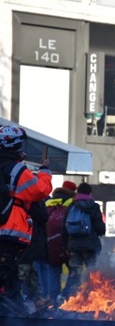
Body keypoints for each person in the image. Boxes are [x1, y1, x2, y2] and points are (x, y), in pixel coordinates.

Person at [0, 125, 52, 308]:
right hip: (9, 232)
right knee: (8, 279)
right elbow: (39, 191)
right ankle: (11, 322)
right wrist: (44, 174)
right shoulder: (15, 169)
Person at [61, 182, 106, 298]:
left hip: (73, 246)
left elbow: (64, 228)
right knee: (92, 272)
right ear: (90, 193)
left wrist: (66, 245)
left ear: (78, 192)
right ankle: (92, 297)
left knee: (75, 272)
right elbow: (100, 227)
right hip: (90, 246)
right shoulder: (94, 206)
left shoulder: (71, 206)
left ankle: (68, 298)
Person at [42, 181, 76, 305]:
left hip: (51, 244)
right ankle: (67, 296)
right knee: (74, 271)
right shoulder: (72, 204)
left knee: (53, 271)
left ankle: (53, 299)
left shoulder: (48, 205)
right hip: (68, 244)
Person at [19, 200, 50, 311]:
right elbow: (43, 216)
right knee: (23, 274)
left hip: (27, 246)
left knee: (30, 273)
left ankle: (36, 300)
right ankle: (25, 301)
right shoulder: (31, 202)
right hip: (25, 246)